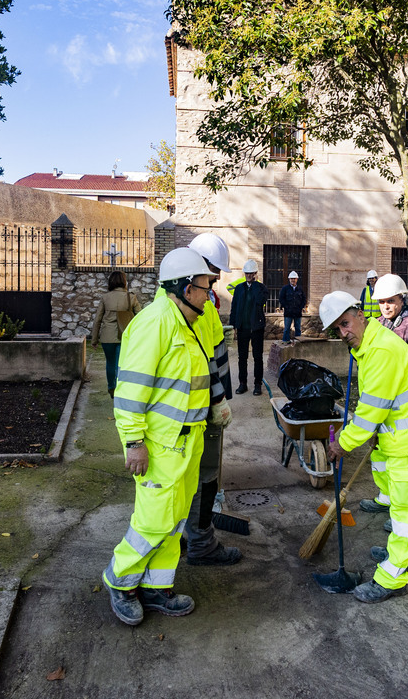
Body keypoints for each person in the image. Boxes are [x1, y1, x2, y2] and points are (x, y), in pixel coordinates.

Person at [102, 247, 228, 626]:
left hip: (187, 443)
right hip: (158, 447)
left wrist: (215, 405)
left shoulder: (186, 322)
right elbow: (129, 392)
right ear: (185, 288)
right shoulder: (155, 323)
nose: (209, 294)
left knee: (173, 521)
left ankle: (157, 588)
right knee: (153, 521)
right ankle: (120, 582)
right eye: (205, 287)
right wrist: (134, 442)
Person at [319, 291, 408, 603]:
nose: (344, 333)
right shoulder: (372, 345)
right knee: (404, 509)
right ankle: (401, 555)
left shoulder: (381, 352)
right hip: (405, 438)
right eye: (337, 329)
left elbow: (369, 413)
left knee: (405, 514)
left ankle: (393, 576)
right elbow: (383, 404)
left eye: (346, 323)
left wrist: (341, 446)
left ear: (360, 315)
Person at [182, 233, 242, 567]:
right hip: (189, 413)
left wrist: (221, 399)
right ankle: (197, 542)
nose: (216, 281)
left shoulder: (205, 307)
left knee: (201, 478)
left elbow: (218, 357)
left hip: (205, 408)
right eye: (212, 274)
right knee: (198, 479)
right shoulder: (181, 311)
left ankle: (191, 536)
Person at [90, 271, 141, 398]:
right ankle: (121, 390)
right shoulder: (131, 297)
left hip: (107, 337)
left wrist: (94, 339)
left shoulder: (105, 298)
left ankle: (111, 388)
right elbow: (140, 318)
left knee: (110, 363)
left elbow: (98, 320)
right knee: (121, 363)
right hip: (124, 335)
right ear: (124, 281)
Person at [229, 259, 268, 396]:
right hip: (243, 328)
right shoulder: (239, 288)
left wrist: (255, 285)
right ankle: (242, 383)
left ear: (256, 273)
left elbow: (260, 302)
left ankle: (258, 384)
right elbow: (234, 307)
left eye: (251, 274)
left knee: (258, 357)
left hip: (256, 328)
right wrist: (233, 325)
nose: (249, 276)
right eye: (247, 274)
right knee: (242, 357)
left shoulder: (262, 288)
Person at [278, 270, 306, 343]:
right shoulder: (285, 288)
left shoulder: (300, 289)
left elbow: (304, 299)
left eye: (294, 278)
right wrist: (286, 307)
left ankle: (298, 343)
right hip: (288, 312)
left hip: (297, 312)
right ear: (289, 279)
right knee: (287, 329)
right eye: (291, 278)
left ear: (297, 279)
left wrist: (300, 307)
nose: (293, 280)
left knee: (298, 329)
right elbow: (281, 298)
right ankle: (285, 343)